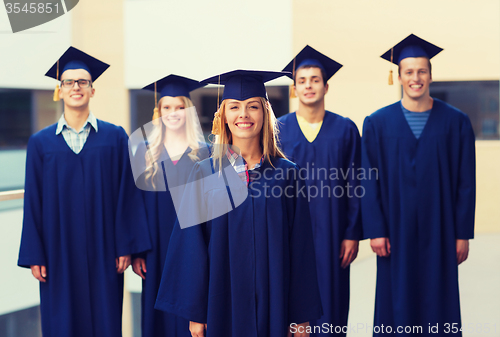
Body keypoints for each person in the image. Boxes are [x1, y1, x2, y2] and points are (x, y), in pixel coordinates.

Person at [155, 70, 323, 337]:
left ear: (265, 114)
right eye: (234, 107)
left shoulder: (287, 174)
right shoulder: (204, 172)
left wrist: (300, 316)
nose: (243, 115)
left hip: (274, 302)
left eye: (252, 107)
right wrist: (196, 312)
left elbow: (300, 248)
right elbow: (190, 245)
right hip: (221, 304)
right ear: (224, 116)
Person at [17, 46, 151, 337]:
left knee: (104, 320)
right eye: (69, 82)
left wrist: (125, 246)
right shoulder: (40, 144)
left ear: (92, 90)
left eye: (82, 82)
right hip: (57, 252)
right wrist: (35, 253)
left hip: (105, 250)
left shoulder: (115, 137)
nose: (75, 87)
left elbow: (126, 195)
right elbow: (34, 202)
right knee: (61, 322)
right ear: (60, 90)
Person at [361, 34, 475, 336]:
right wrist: (375, 229)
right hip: (393, 231)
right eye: (409, 72)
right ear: (398, 76)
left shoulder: (456, 122)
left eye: (422, 71)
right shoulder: (376, 123)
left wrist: (462, 233)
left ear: (431, 75)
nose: (416, 78)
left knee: (439, 298)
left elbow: (466, 182)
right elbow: (368, 180)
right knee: (396, 299)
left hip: (442, 228)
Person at [278, 45, 362, 336]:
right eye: (302, 80)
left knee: (332, 307)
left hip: (333, 235)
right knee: (291, 308)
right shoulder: (278, 130)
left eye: (315, 80)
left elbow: (356, 184)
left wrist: (352, 233)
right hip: (289, 235)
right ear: (294, 89)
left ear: (326, 86)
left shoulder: (345, 129)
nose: (308, 86)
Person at [129, 74, 210, 337]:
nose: (173, 113)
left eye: (179, 107)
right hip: (156, 248)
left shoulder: (205, 152)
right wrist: (138, 250)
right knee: (158, 316)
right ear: (158, 111)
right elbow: (135, 204)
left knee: (192, 305)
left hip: (192, 246)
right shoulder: (144, 151)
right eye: (167, 107)